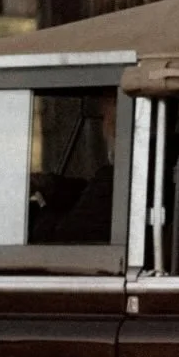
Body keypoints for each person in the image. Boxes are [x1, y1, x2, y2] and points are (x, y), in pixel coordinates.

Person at [30, 92, 116, 244]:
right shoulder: (122, 181)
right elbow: (85, 191)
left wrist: (42, 207)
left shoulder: (112, 182)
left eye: (103, 118)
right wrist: (50, 185)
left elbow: (57, 241)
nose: (103, 130)